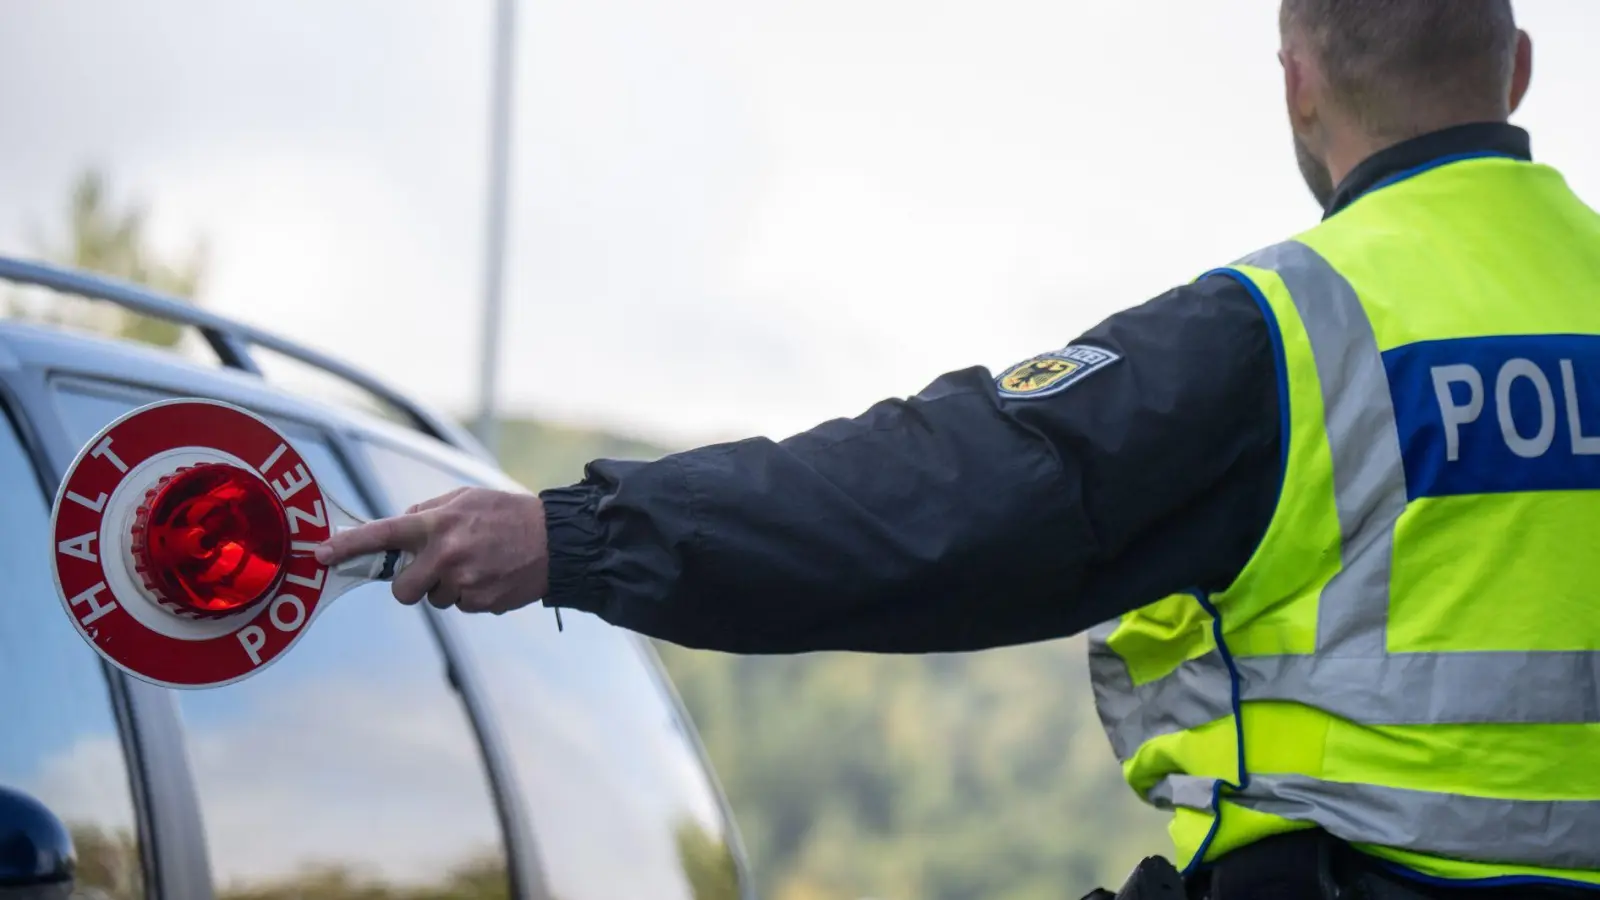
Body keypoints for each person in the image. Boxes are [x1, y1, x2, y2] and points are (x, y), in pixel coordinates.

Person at [319, 1, 1600, 896]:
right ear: (1517, 70)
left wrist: (576, 536)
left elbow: (934, 504)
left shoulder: (1283, 331)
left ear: (1297, 81)